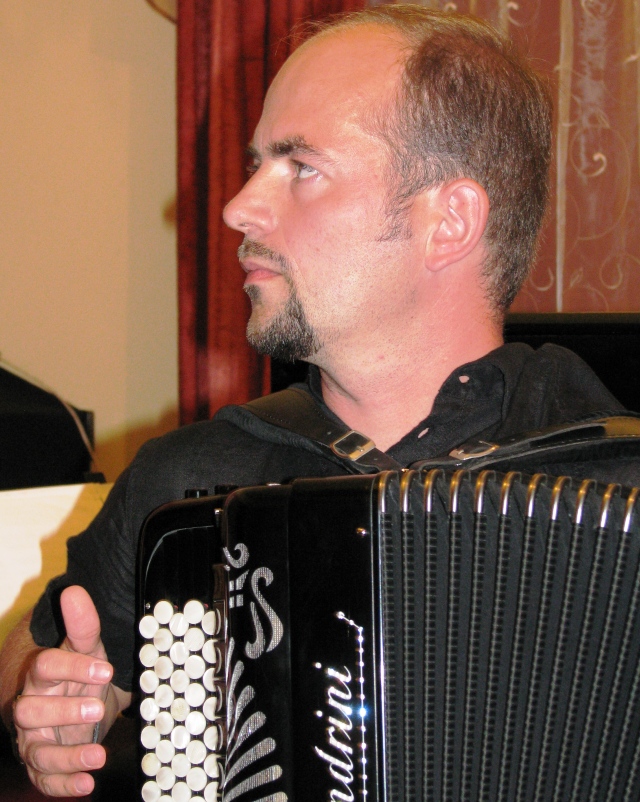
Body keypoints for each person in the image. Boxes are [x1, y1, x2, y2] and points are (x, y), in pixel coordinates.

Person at [0, 5, 626, 797]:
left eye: (300, 167)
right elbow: (42, 646)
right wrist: (47, 694)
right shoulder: (188, 481)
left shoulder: (614, 483)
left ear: (449, 222)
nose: (237, 208)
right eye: (257, 163)